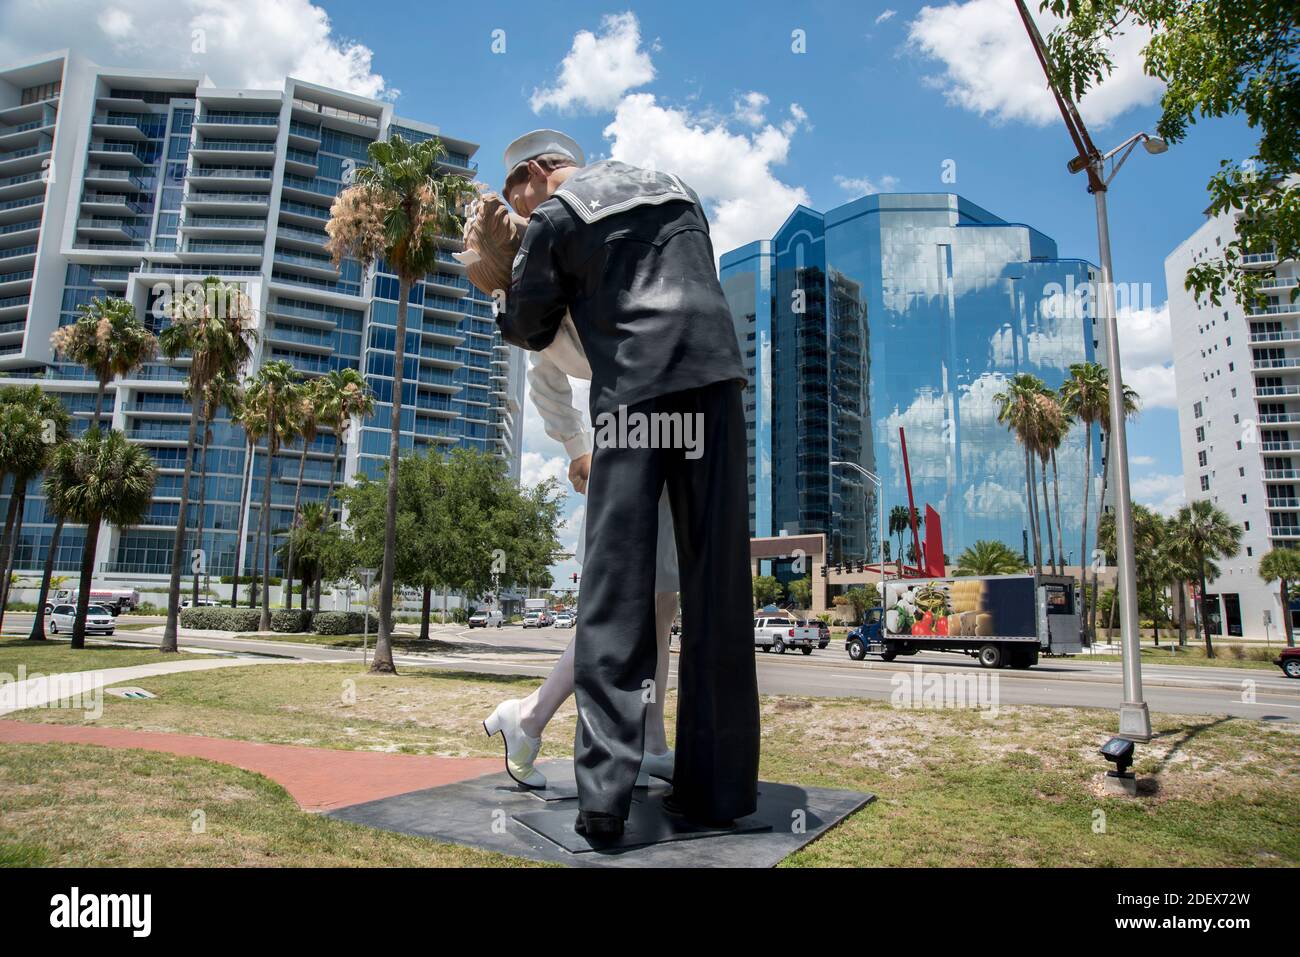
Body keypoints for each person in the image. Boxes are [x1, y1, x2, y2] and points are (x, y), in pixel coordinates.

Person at [495, 129, 760, 838]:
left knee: (616, 590)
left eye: (512, 193)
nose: (513, 209)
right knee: (718, 587)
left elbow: (527, 324)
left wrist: (507, 286)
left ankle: (606, 799)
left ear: (536, 174)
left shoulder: (555, 217)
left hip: (637, 395)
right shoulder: (675, 185)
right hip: (715, 381)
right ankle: (720, 788)